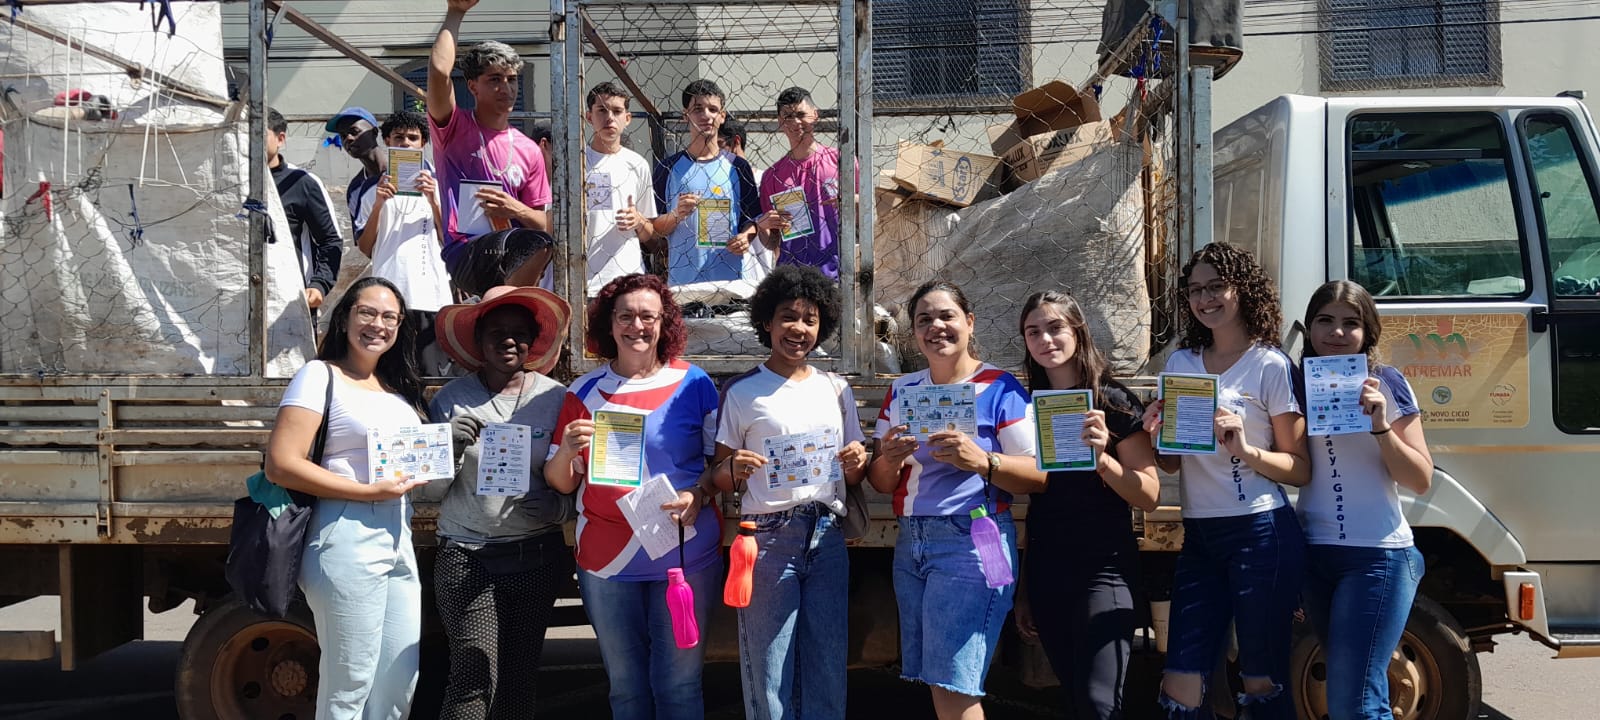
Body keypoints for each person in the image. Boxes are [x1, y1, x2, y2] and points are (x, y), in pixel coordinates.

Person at [1140, 242, 1310, 720]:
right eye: (1195, 290)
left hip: (1261, 533)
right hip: (1201, 535)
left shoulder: (1270, 364)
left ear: (1243, 290)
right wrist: (1159, 435)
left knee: (1260, 677)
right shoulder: (1180, 364)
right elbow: (1172, 466)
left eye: (1216, 286)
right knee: (1181, 680)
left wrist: (1245, 449)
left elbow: (1300, 468)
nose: (1205, 299)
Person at [544, 273, 722, 720]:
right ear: (609, 323)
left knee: (680, 686)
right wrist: (567, 449)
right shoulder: (582, 392)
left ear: (665, 323)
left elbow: (718, 466)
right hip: (608, 561)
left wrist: (697, 493)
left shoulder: (695, 384)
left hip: (683, 554)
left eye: (648, 316)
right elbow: (561, 482)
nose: (637, 326)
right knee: (625, 690)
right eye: (626, 316)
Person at [867, 279, 1043, 720]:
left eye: (946, 316)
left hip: (974, 541)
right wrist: (888, 458)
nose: (936, 327)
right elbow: (882, 482)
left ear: (969, 322)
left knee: (954, 685)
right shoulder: (903, 390)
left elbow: (1039, 476)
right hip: (912, 544)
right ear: (913, 333)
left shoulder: (1000, 388)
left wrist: (983, 461)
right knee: (941, 682)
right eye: (924, 319)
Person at [704, 265, 869, 719]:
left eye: (811, 319)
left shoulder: (836, 389)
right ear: (766, 323)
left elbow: (851, 477)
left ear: (823, 327)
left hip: (827, 536)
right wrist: (732, 468)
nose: (799, 328)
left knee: (827, 667)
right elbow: (719, 475)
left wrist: (859, 462)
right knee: (768, 671)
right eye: (788, 317)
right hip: (769, 540)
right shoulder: (741, 392)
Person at [263, 276, 427, 719]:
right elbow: (280, 462)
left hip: (397, 534)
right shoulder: (319, 375)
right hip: (345, 534)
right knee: (349, 684)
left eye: (390, 317)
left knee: (398, 681)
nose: (379, 324)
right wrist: (367, 490)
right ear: (345, 317)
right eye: (368, 313)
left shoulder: (395, 387)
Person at [422, 285, 577, 718]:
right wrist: (449, 448)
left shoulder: (555, 398)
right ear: (478, 341)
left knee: (517, 681)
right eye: (497, 331)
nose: (509, 340)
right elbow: (427, 494)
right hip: (468, 556)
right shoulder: (451, 401)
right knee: (474, 677)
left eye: (519, 332)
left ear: (533, 341)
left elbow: (576, 485)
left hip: (537, 555)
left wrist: (557, 510)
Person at [1012, 290, 1160, 719]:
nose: (1045, 339)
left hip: (1104, 571)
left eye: (1055, 327)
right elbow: (1037, 505)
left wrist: (1104, 461)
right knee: (1076, 699)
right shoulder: (1026, 408)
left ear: (1078, 331)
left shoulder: (1113, 401)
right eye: (1033, 331)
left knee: (1100, 705)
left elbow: (1148, 495)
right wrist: (1025, 589)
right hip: (1047, 571)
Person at [1297, 280, 1432, 720]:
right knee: (1356, 693)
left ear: (1367, 332)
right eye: (1325, 321)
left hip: (1377, 555)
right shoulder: (1294, 384)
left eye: (1350, 323)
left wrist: (1380, 425)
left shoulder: (1387, 383)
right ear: (1309, 327)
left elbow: (1420, 479)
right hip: (1315, 554)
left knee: (1353, 703)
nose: (1336, 333)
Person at [428, 0, 554, 292]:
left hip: (514, 252)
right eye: (495, 80)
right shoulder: (454, 128)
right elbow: (438, 73)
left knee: (542, 243)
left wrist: (515, 208)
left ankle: (505, 306)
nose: (506, 88)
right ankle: (502, 303)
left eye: (512, 80)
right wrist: (455, 13)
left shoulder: (529, 149)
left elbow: (543, 223)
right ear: (473, 86)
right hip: (467, 251)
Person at [332, 108, 453, 373]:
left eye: (413, 138)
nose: (406, 144)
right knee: (390, 374)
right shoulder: (365, 190)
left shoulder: (441, 182)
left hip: (431, 297)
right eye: (399, 138)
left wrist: (434, 201)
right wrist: (378, 205)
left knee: (431, 376)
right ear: (387, 141)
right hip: (387, 300)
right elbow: (365, 248)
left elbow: (451, 240)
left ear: (424, 143)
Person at [651, 80, 763, 287]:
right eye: (697, 109)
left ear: (722, 116)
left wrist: (746, 237)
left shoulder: (737, 167)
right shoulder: (667, 169)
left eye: (713, 109)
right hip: (683, 284)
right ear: (686, 116)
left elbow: (752, 219)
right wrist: (676, 214)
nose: (706, 115)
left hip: (731, 282)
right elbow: (655, 229)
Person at [756, 86, 852, 281]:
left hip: (836, 275)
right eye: (788, 116)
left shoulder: (843, 162)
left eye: (801, 114)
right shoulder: (772, 176)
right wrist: (762, 227)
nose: (795, 122)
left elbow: (867, 218)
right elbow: (773, 241)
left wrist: (852, 202)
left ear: (815, 115)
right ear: (780, 122)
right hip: (791, 278)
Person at [582, 82, 658, 297]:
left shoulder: (637, 164)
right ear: (589, 117)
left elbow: (650, 234)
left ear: (627, 118)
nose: (609, 118)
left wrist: (638, 221)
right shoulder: (575, 163)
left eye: (617, 111)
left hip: (627, 279)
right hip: (583, 281)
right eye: (602, 110)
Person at [266, 107, 344, 315]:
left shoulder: (301, 183)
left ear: (280, 138)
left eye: (257, 134)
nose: (248, 142)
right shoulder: (227, 183)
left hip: (290, 304)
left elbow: (330, 240)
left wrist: (319, 285)